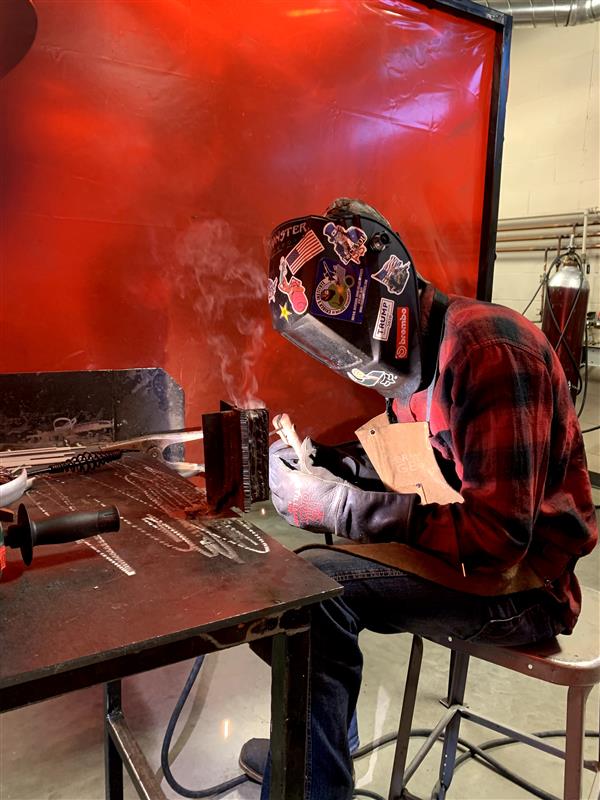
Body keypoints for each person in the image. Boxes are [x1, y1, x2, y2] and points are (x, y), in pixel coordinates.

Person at [241, 198, 597, 800]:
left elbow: (497, 540)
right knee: (280, 589)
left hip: (525, 585)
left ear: (386, 292)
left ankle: (313, 780)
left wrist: (337, 507)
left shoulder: (487, 351)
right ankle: (315, 750)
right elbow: (410, 465)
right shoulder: (419, 360)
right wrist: (327, 463)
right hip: (477, 564)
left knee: (307, 595)